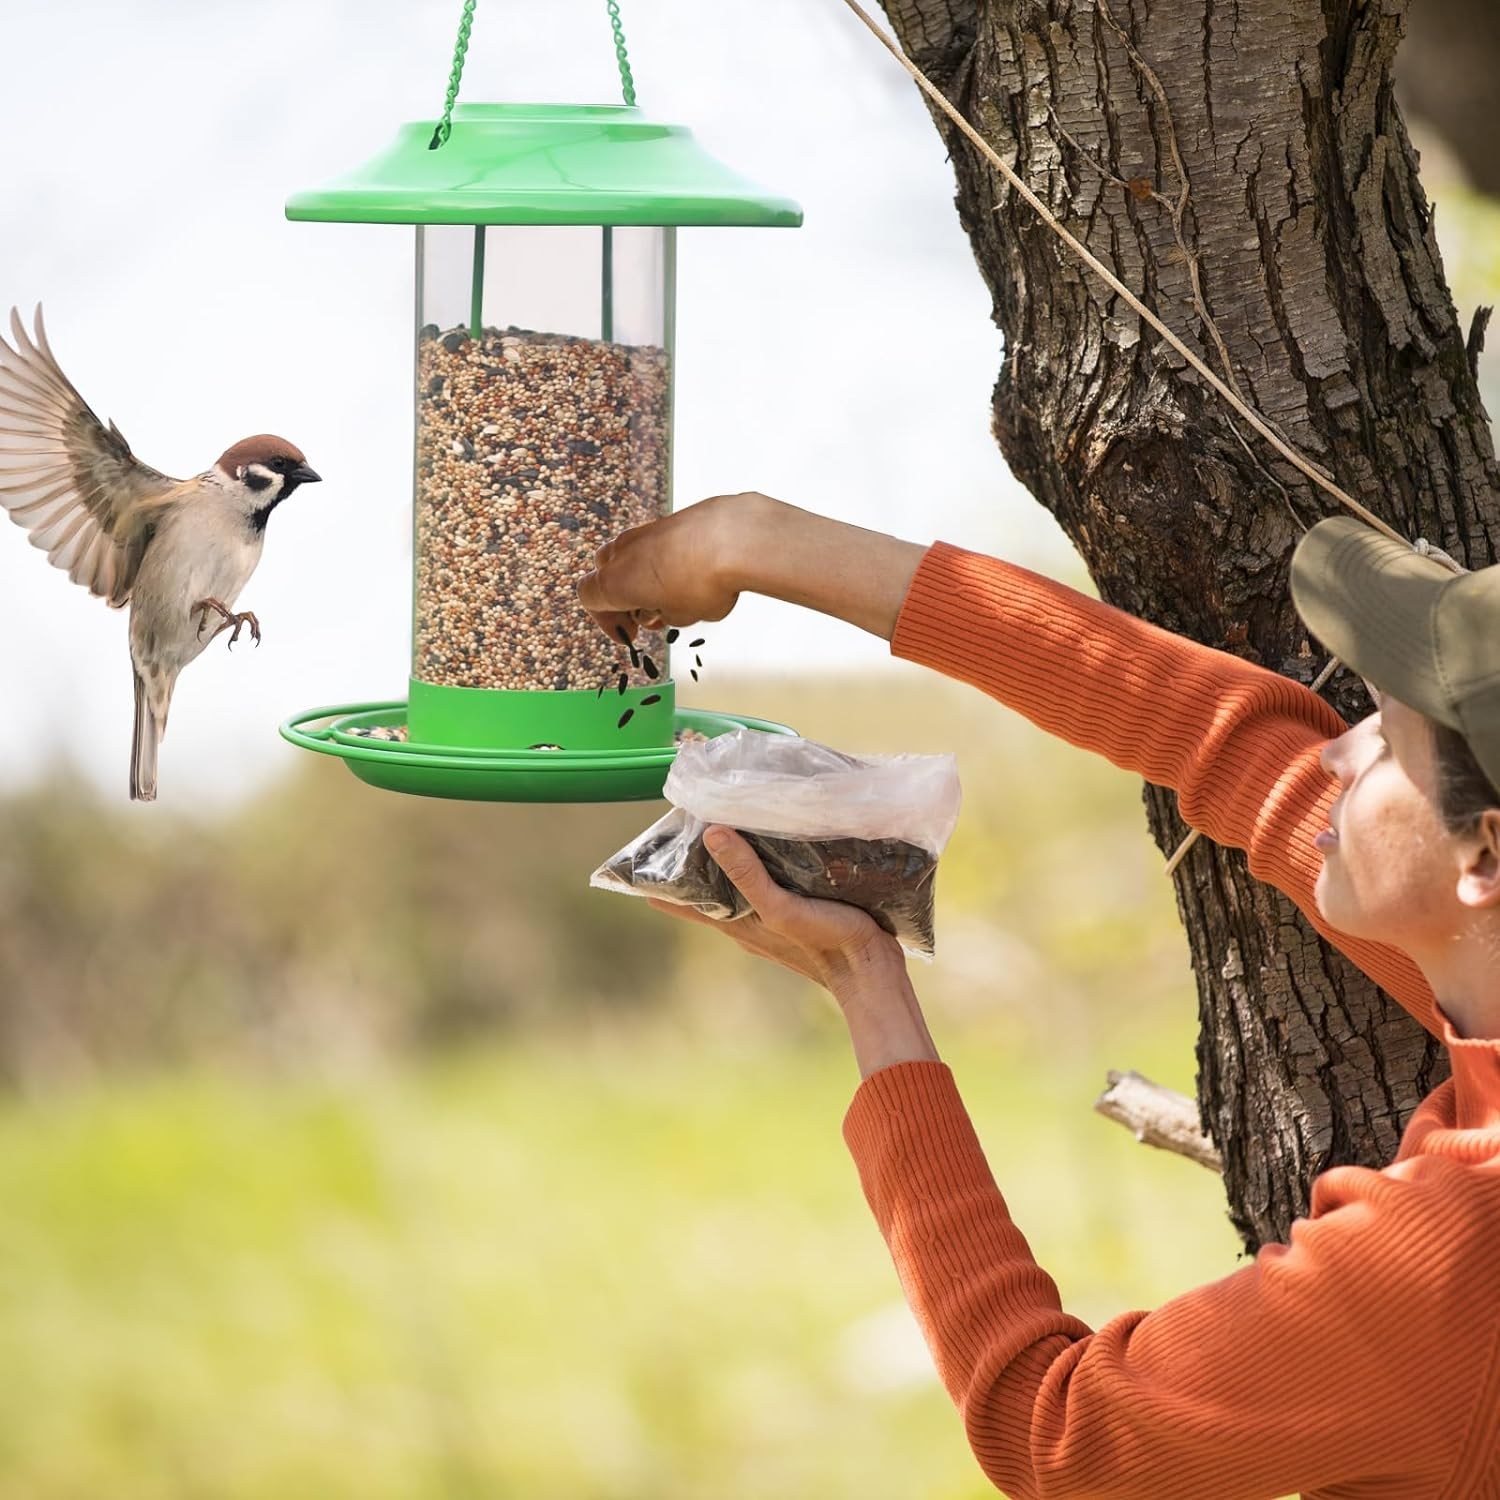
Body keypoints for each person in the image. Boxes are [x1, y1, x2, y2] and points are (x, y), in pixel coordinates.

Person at [577, 493, 1500, 1499]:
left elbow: (1054, 1434)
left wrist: (864, 986)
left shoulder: (1454, 1265)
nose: (1335, 749)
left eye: (1385, 740)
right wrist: (760, 544)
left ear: (1484, 854)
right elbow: (1202, 730)